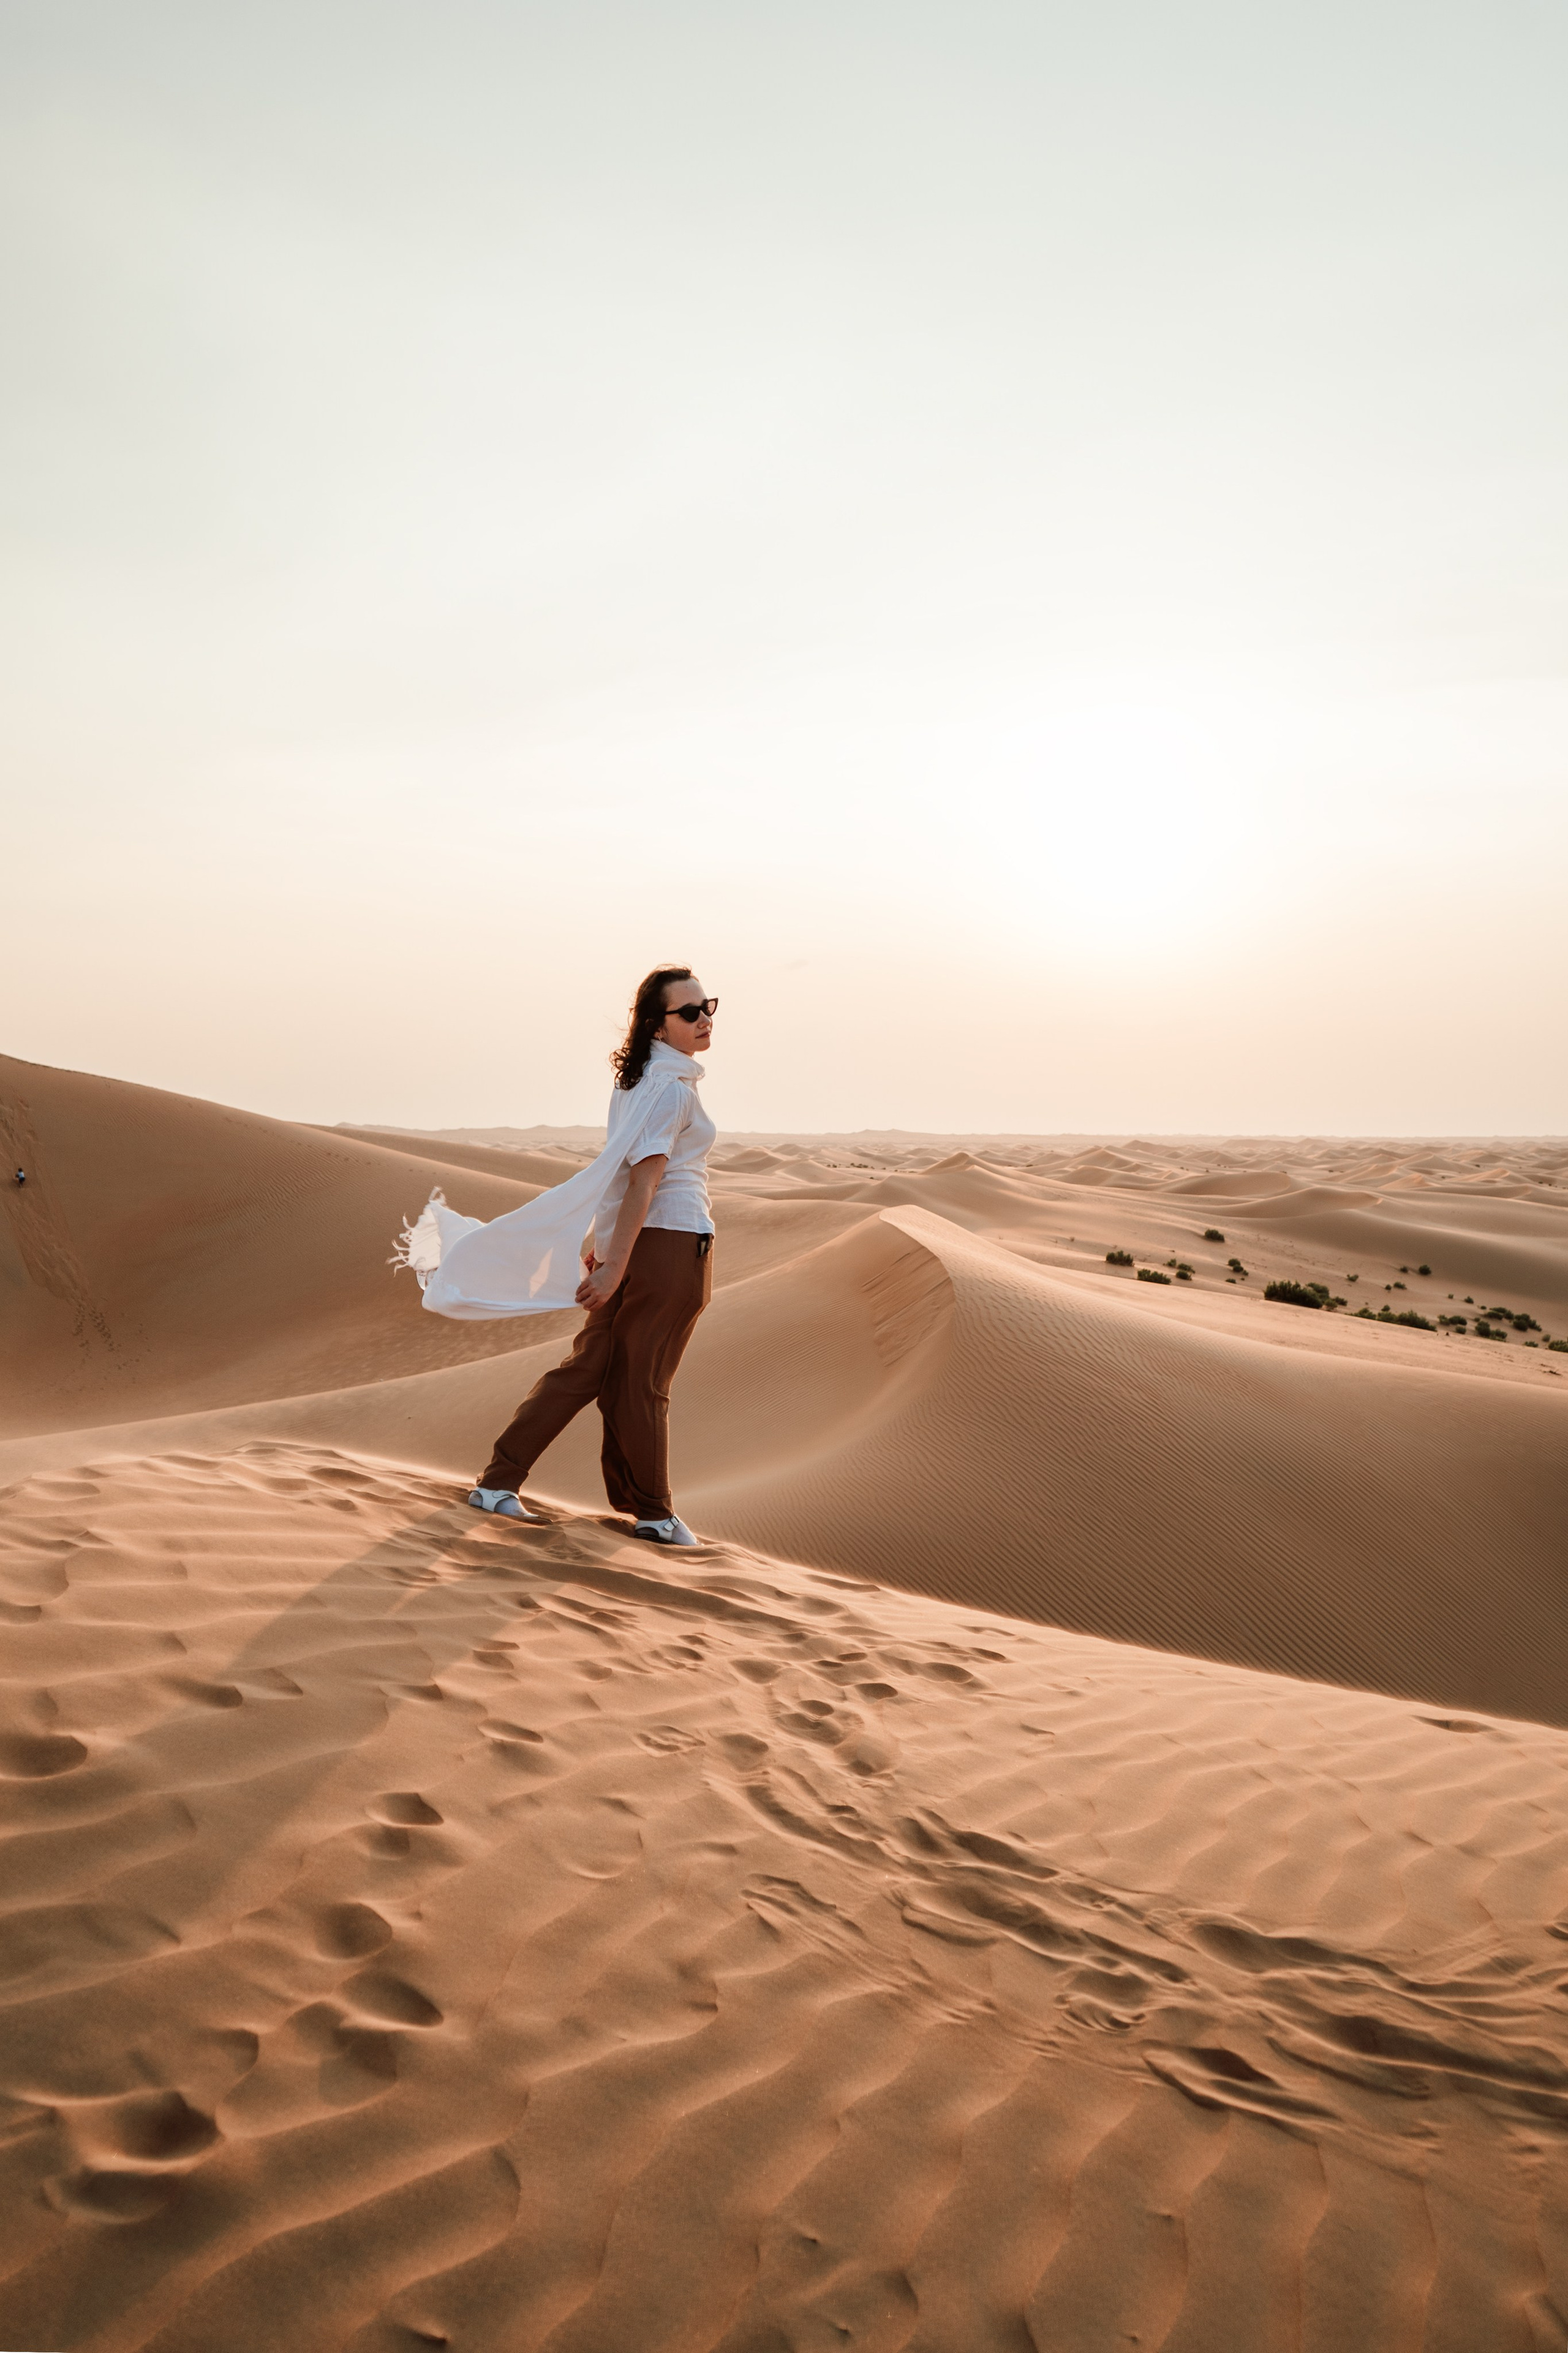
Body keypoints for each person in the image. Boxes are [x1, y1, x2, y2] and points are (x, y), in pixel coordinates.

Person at [459, 968, 718, 1543]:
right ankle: (654, 1514)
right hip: (669, 1244)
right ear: (658, 1023)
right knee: (643, 1381)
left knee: (588, 1369)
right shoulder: (670, 1089)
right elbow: (644, 1184)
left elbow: (616, 1177)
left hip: (631, 1244)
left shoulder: (641, 1080)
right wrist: (616, 1266)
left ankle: (497, 1482)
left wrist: (604, 1251)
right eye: (690, 1012)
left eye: (708, 1008)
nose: (704, 1020)